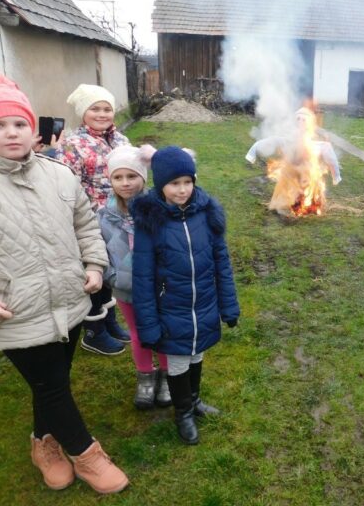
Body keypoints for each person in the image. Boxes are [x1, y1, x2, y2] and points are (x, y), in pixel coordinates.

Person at [0, 72, 128, 494]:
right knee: (50, 385)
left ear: (34, 130)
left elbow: (86, 224)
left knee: (53, 383)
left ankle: (44, 445)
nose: (11, 133)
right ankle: (87, 456)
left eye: (19, 124)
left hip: (69, 302)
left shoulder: (58, 175)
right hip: (15, 312)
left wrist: (94, 265)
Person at [131, 146, 240, 444]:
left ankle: (194, 401)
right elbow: (142, 277)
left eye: (187, 182)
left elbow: (222, 261)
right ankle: (183, 413)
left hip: (203, 302)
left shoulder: (207, 214)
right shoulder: (151, 222)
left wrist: (228, 306)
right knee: (179, 361)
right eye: (174, 183)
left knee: (197, 355)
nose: (182, 190)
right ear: (160, 184)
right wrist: (149, 325)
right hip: (172, 307)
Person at [57, 84, 131, 355]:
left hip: (120, 217)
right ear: (83, 112)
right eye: (95, 108)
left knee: (112, 270)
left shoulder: (121, 140)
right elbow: (66, 185)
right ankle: (93, 330)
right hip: (90, 220)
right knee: (94, 270)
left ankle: (109, 321)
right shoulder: (73, 144)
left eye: (107, 108)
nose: (102, 114)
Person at [98, 145, 172, 410]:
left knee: (162, 330)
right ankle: (145, 376)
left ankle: (166, 375)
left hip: (157, 287)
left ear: (144, 177)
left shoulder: (159, 208)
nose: (125, 183)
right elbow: (98, 249)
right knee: (138, 333)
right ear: (110, 180)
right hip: (125, 288)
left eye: (132, 176)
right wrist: (112, 277)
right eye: (118, 177)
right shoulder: (104, 215)